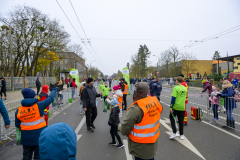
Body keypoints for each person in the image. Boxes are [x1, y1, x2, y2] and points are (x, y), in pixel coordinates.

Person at [121, 82, 163, 160]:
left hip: (140, 148)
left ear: (138, 92)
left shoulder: (136, 108)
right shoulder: (155, 101)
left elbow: (124, 130)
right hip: (152, 145)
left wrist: (119, 127)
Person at [15, 87, 57, 160]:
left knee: (26, 157)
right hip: (39, 137)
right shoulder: (39, 105)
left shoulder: (18, 110)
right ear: (33, 96)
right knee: (38, 157)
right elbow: (50, 98)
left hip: (26, 139)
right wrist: (54, 89)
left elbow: (17, 125)